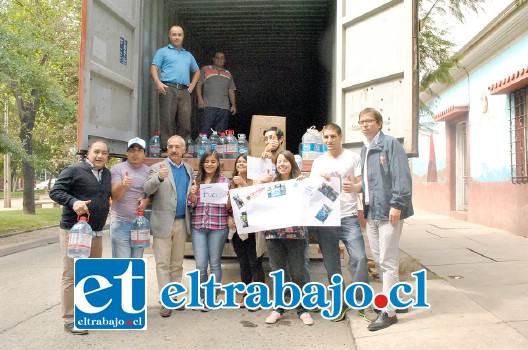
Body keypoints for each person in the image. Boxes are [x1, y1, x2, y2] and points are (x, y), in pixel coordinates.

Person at [309, 123, 377, 323]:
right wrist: (319, 181)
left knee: (359, 259)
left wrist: (353, 186)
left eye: (332, 136)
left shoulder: (353, 157)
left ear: (340, 137)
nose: (329, 140)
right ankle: (339, 302)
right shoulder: (318, 162)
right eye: (326, 137)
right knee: (331, 265)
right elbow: (312, 191)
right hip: (326, 218)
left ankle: (361, 302)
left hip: (348, 217)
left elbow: (361, 183)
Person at [358, 107, 414, 331]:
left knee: (387, 262)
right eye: (361, 122)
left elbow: (402, 176)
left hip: (389, 210)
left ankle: (388, 312)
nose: (364, 125)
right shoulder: (365, 149)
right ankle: (396, 300)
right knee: (380, 259)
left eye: (369, 121)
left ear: (379, 123)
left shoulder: (390, 144)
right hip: (372, 212)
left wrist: (397, 204)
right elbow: (369, 182)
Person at [49, 140, 111, 335]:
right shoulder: (74, 170)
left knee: (91, 274)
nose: (100, 156)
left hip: (96, 232)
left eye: (104, 153)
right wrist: (74, 202)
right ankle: (70, 319)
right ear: (88, 153)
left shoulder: (107, 174)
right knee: (71, 275)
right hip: (73, 231)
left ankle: (87, 313)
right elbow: (55, 191)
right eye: (96, 152)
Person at [144, 135, 194, 318]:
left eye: (177, 147)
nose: (173, 150)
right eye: (170, 147)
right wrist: (158, 178)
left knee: (177, 264)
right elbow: (147, 189)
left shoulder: (189, 169)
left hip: (182, 221)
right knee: (162, 263)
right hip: (163, 222)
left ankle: (175, 297)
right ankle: (165, 300)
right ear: (166, 148)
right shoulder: (156, 168)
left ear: (184, 149)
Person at [262, 150, 314, 326]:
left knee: (298, 272)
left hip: (296, 234)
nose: (282, 164)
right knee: (278, 273)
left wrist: (305, 185)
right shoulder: (270, 183)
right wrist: (262, 183)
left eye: (285, 161)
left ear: (292, 163)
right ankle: (278, 308)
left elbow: (313, 200)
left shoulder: (301, 182)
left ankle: (302, 308)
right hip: (273, 235)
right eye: (279, 162)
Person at [188, 150, 231, 311]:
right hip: (199, 226)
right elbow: (191, 205)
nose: (209, 164)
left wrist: (228, 197)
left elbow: (228, 207)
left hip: (218, 227)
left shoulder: (225, 182)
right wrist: (192, 195)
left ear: (219, 163)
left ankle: (211, 298)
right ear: (202, 163)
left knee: (214, 264)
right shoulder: (195, 181)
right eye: (206, 161)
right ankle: (200, 296)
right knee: (200, 265)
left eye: (213, 161)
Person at [151, 25, 200, 150]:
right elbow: (154, 68)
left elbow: (197, 71)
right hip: (168, 88)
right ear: (169, 36)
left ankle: (182, 149)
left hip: (184, 90)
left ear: (183, 37)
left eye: (179, 35)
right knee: (167, 120)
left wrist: (192, 85)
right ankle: (165, 149)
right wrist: (158, 83)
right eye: (174, 34)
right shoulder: (162, 51)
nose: (177, 37)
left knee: (185, 121)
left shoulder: (188, 55)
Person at [228, 153, 266, 307]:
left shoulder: (256, 181)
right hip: (237, 228)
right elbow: (228, 207)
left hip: (253, 228)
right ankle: (246, 294)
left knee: (255, 262)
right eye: (239, 162)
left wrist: (243, 184)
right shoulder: (231, 183)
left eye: (244, 161)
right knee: (243, 262)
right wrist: (228, 216)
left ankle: (258, 295)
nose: (241, 163)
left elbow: (257, 201)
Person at [109, 137, 150, 258]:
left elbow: (153, 195)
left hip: (140, 224)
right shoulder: (118, 169)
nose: (135, 153)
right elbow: (114, 196)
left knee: (136, 265)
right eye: (132, 150)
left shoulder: (149, 171)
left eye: (139, 150)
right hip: (120, 223)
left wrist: (146, 201)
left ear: (144, 154)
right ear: (126, 153)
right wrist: (122, 184)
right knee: (122, 266)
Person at [196, 50, 236, 135]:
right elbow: (199, 85)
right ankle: (205, 148)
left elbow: (231, 90)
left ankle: (218, 149)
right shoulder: (205, 69)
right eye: (217, 58)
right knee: (205, 131)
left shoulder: (228, 74)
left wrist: (233, 105)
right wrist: (200, 99)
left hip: (224, 107)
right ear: (213, 59)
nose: (219, 60)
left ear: (225, 60)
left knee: (220, 133)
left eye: (222, 58)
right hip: (209, 105)